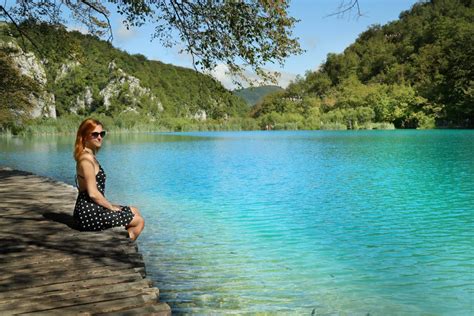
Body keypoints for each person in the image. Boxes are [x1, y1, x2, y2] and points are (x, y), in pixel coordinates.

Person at [73, 118, 144, 240]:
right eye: (95, 134)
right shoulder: (85, 160)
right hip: (89, 214)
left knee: (135, 210)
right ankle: (123, 247)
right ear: (84, 137)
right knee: (139, 222)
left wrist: (111, 207)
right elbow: (93, 193)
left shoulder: (90, 156)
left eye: (102, 134)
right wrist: (111, 208)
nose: (99, 137)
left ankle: (123, 239)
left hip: (93, 208)